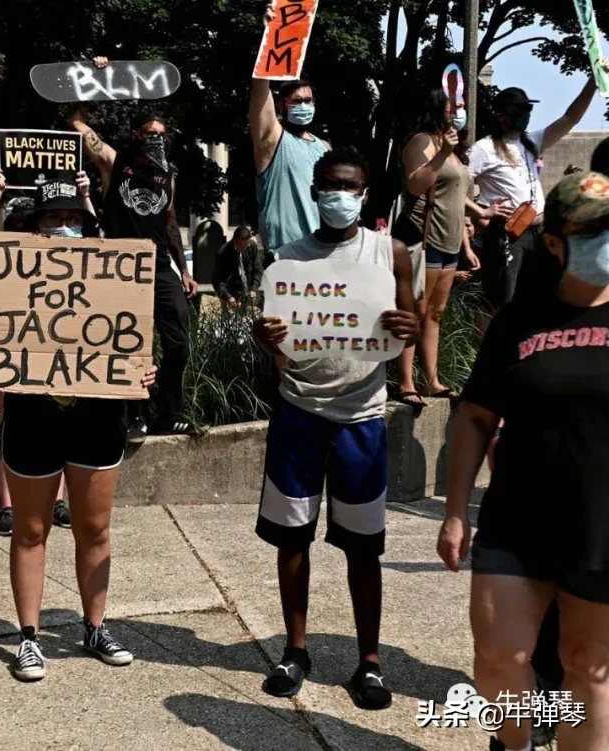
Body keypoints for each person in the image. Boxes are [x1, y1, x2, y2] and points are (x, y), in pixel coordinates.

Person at [439, 171, 609, 751]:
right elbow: (475, 417)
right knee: (497, 658)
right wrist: (456, 512)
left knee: (586, 668)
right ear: (556, 241)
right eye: (591, 230)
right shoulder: (519, 320)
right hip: (517, 520)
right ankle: (514, 743)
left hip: (601, 527)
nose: (603, 240)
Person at [252, 148, 419, 708]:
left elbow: (410, 323)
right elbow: (275, 335)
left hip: (362, 418)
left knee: (363, 547)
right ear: (314, 191)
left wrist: (407, 326)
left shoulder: (389, 252)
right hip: (299, 412)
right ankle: (295, 650)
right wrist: (266, 341)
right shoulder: (287, 260)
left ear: (365, 191)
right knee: (292, 539)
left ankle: (368, 661)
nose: (338, 196)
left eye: (348, 186)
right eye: (328, 186)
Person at [0, 180, 158, 681]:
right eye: (52, 221)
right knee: (31, 529)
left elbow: (132, 345)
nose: (65, 228)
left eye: (74, 220)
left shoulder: (114, 279)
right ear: (34, 229)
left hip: (97, 417)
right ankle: (30, 638)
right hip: (32, 417)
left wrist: (142, 372)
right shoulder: (10, 282)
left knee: (95, 528)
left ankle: (95, 626)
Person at [70, 56, 198, 442]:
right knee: (129, 341)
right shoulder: (116, 162)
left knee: (178, 341)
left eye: (161, 134)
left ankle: (169, 411)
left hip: (160, 266)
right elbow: (77, 126)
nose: (155, 138)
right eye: (148, 133)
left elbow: (170, 224)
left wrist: (185, 270)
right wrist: (93, 81)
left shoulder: (167, 177)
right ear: (137, 137)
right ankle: (134, 415)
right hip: (122, 265)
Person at [468, 63, 607, 316]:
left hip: (540, 230)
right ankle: (495, 351)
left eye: (528, 108)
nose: (526, 114)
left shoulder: (532, 142)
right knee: (502, 299)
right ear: (502, 114)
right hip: (507, 235)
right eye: (520, 109)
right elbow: (455, 183)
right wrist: (481, 211)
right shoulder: (484, 149)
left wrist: (593, 81)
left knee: (542, 294)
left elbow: (571, 117)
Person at [0, 169, 72, 536]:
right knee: (10, 423)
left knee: (60, 420)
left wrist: (86, 193)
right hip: (16, 346)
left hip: (61, 349)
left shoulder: (69, 250)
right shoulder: (9, 258)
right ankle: (8, 507)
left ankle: (58, 500)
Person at [393, 89, 481, 407]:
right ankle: (406, 382)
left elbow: (456, 198)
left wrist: (467, 244)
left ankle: (431, 381)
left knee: (435, 313)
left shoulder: (455, 148)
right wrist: (443, 152)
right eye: (453, 106)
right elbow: (416, 183)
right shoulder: (422, 142)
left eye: (462, 106)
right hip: (424, 238)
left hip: (449, 241)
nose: (459, 111)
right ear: (436, 109)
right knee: (415, 311)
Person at [249, 9, 331, 257]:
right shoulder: (273, 140)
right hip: (287, 254)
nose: (304, 105)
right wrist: (270, 39)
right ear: (282, 104)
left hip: (324, 252)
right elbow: (260, 93)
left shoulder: (324, 148)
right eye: (297, 101)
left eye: (309, 100)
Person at [212, 225, 264, 311]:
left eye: (245, 246)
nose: (243, 249)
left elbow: (258, 270)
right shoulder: (223, 253)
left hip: (249, 292)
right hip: (230, 294)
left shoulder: (252, 246)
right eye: (240, 246)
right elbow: (217, 280)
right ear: (234, 240)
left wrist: (254, 288)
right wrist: (228, 296)